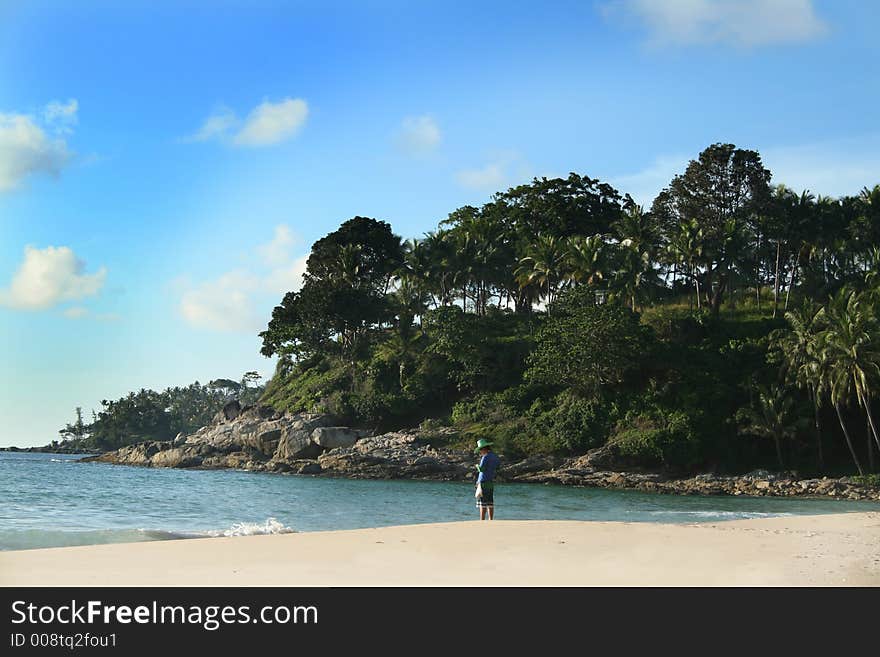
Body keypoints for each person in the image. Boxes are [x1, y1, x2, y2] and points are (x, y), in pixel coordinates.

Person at [474, 438, 501, 520]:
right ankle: (490, 519)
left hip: (483, 481)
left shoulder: (485, 457)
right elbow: (498, 466)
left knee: (483, 503)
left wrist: (477, 466)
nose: (480, 452)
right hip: (490, 481)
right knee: (490, 502)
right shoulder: (494, 456)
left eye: (480, 450)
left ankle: (482, 520)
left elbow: (482, 469)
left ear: (484, 449)